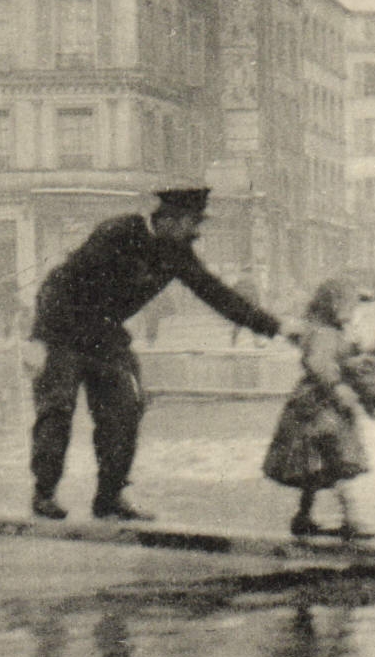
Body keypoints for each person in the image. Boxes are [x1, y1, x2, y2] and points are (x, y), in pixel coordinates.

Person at [25, 187, 301, 521]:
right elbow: (61, 282)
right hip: (62, 330)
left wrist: (277, 327)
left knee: (124, 411)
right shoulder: (120, 231)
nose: (197, 231)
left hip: (105, 336)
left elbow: (218, 295)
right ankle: (44, 493)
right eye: (191, 222)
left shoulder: (178, 253)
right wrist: (38, 338)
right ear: (168, 219)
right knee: (57, 409)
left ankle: (109, 498)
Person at [263, 279, 375, 540]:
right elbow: (319, 363)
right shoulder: (325, 333)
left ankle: (303, 517)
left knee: (314, 464)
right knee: (335, 458)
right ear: (334, 305)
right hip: (320, 405)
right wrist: (338, 385)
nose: (353, 311)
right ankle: (349, 519)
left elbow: (341, 357)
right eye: (349, 305)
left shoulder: (330, 330)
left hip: (318, 405)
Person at [229, 268, 264, 348]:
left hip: (250, 309)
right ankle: (233, 342)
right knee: (238, 326)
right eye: (246, 275)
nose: (248, 276)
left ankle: (257, 343)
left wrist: (257, 306)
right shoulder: (239, 285)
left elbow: (256, 297)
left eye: (249, 275)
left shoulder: (252, 285)